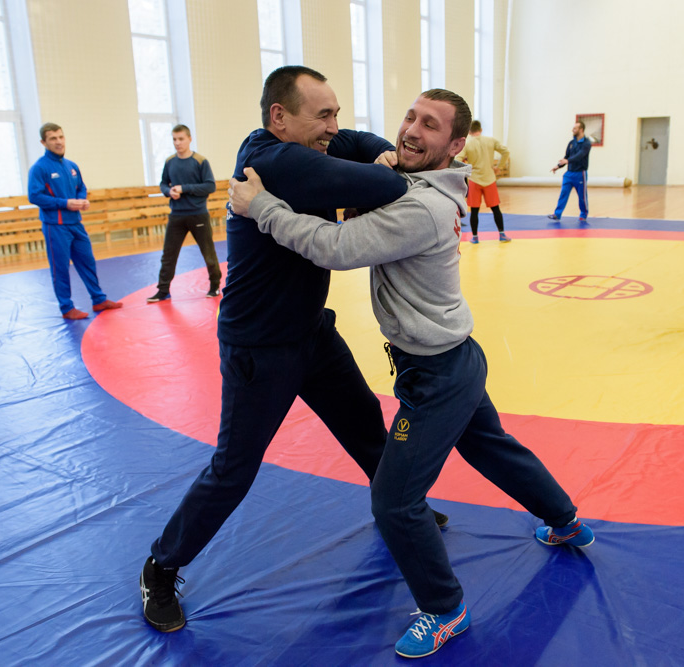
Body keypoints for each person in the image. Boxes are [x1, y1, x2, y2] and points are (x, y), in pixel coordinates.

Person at [230, 89, 593, 660]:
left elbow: (335, 245)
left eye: (431, 126)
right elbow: (371, 185)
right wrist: (379, 165)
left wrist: (263, 208)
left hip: (438, 375)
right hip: (457, 358)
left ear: (453, 147)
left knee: (394, 501)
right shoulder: (418, 185)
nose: (411, 131)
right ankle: (566, 520)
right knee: (493, 448)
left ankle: (445, 608)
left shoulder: (420, 206)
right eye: (410, 117)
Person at [139, 66, 448, 635]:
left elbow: (370, 149)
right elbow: (388, 183)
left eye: (335, 113)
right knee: (234, 470)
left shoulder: (312, 142)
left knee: (366, 431)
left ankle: (402, 513)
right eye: (321, 116)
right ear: (279, 117)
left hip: (312, 332)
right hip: (260, 347)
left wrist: (377, 153)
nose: (334, 126)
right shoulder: (276, 162)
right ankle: (161, 566)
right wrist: (385, 168)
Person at [27, 123, 123, 319]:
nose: (59, 141)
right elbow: (34, 196)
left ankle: (98, 299)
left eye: (61, 137)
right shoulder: (39, 168)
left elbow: (81, 187)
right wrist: (65, 203)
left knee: (87, 260)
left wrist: (82, 200)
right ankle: (66, 307)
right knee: (60, 267)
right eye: (53, 138)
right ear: (43, 142)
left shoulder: (71, 166)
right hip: (55, 226)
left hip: (75, 224)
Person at [147, 125, 222, 302]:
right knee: (168, 254)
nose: (177, 143)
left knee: (208, 252)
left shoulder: (200, 161)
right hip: (177, 215)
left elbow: (210, 186)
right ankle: (163, 290)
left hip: (198, 214)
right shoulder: (170, 161)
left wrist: (184, 188)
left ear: (189, 139)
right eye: (174, 139)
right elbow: (163, 183)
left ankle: (215, 286)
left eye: (180, 139)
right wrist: (168, 191)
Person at [456, 120, 511, 243]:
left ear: (469, 132)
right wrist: (499, 167)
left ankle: (475, 237)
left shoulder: (468, 144)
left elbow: (458, 158)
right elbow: (506, 151)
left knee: (474, 210)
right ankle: (502, 234)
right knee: (495, 208)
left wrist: (466, 169)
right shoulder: (491, 140)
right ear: (480, 130)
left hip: (474, 179)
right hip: (489, 178)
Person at [547, 120, 591, 226]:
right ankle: (557, 214)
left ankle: (583, 214)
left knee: (582, 196)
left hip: (580, 174)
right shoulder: (571, 143)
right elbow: (567, 157)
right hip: (569, 174)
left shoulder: (586, 143)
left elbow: (580, 155)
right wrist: (558, 166)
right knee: (563, 193)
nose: (572, 130)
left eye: (575, 128)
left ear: (581, 130)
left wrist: (568, 161)